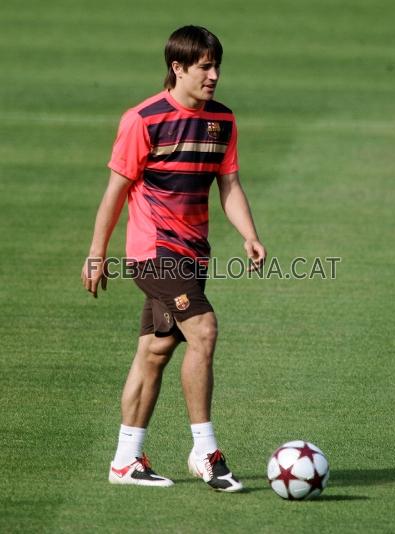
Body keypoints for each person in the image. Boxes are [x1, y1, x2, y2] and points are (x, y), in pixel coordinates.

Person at [81, 25, 266, 492]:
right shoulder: (142, 119)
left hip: (193, 255)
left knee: (156, 350)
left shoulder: (222, 121)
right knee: (203, 329)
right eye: (205, 66)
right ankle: (205, 451)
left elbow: (229, 184)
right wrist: (96, 254)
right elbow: (115, 191)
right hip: (153, 251)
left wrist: (249, 234)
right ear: (177, 68)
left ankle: (125, 460)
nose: (215, 75)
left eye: (217, 65)